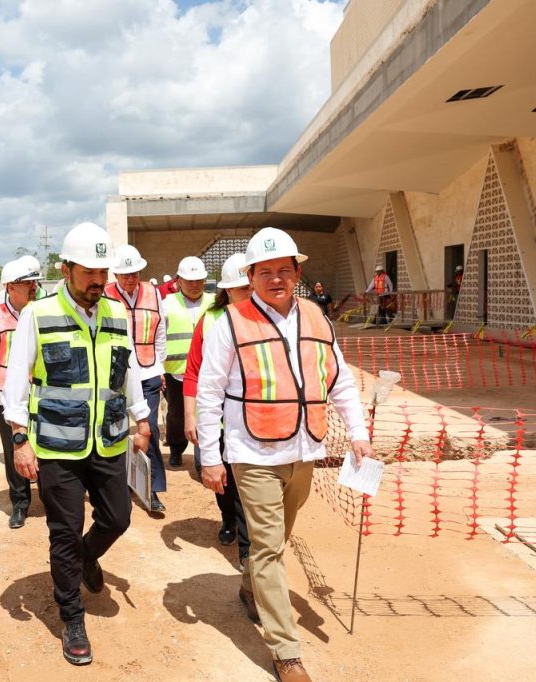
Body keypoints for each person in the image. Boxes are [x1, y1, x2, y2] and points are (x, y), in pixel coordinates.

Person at [196, 227, 372, 682]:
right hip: (252, 452)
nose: (276, 278)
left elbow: (339, 379)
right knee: (270, 546)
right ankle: (286, 652)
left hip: (304, 448)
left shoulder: (316, 317)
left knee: (274, 540)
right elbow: (209, 393)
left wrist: (358, 433)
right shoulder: (229, 323)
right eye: (265, 271)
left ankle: (250, 586)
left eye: (284, 270)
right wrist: (210, 457)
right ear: (250, 276)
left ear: (297, 272)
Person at [4, 222, 150, 666]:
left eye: (103, 272)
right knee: (64, 531)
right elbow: (16, 382)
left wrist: (142, 418)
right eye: (89, 272)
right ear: (65, 269)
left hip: (108, 440)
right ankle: (72, 617)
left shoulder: (116, 314)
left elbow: (128, 372)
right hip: (57, 447)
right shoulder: (38, 314)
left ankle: (88, 555)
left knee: (118, 518)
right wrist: (19, 439)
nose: (98, 281)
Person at [182, 253, 251, 568]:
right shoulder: (210, 321)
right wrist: (191, 415)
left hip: (255, 422)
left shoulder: (269, 320)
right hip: (219, 419)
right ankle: (228, 519)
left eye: (251, 286)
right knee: (224, 481)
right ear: (228, 290)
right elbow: (193, 372)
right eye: (243, 288)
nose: (249, 293)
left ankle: (248, 553)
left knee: (248, 488)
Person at [0, 258, 41, 529]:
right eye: (28, 284)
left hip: (39, 392)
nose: (34, 287)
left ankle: (51, 496)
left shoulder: (42, 310)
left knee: (45, 445)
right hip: (7, 396)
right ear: (11, 287)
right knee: (14, 446)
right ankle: (20, 502)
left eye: (35, 282)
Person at [104, 245, 168, 513]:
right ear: (116, 275)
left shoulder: (154, 293)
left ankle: (152, 487)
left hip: (148, 370)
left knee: (149, 426)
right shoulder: (105, 295)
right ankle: (118, 485)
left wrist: (160, 364)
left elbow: (161, 329)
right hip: (115, 375)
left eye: (134, 274)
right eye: (125, 274)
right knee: (114, 430)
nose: (130, 279)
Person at [162, 256, 214, 470]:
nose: (195, 285)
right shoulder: (167, 304)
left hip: (208, 372)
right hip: (177, 372)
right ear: (179, 281)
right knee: (177, 414)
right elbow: (159, 338)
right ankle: (176, 448)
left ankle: (204, 456)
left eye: (199, 280)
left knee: (207, 413)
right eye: (190, 281)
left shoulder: (215, 302)